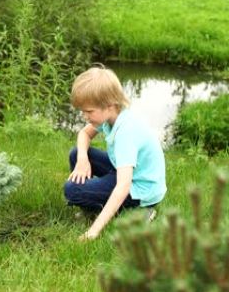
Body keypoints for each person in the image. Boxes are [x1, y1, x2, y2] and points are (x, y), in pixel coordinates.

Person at [64, 65, 166, 241]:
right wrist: (82, 159)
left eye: (89, 111)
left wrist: (93, 231)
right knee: (76, 153)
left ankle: (142, 212)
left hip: (140, 189)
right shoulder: (111, 116)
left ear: (109, 105)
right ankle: (92, 204)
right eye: (83, 111)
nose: (85, 116)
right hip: (126, 172)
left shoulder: (126, 132)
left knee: (72, 191)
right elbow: (84, 134)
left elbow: (123, 187)